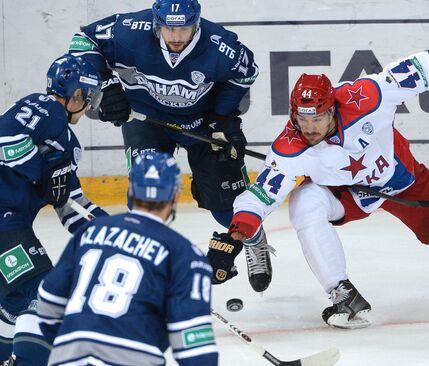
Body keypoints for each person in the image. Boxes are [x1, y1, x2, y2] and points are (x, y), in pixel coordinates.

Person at [206, 51, 429, 329]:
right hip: (349, 193)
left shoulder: (366, 97)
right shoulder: (290, 147)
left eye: (318, 119)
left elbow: (422, 69)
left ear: (333, 108)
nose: (309, 128)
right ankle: (344, 296)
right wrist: (234, 238)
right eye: (302, 119)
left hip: (403, 182)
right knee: (304, 201)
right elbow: (261, 196)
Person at [68, 0, 274, 292]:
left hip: (201, 123)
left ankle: (255, 241)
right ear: (156, 23)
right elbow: (83, 40)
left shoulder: (220, 46)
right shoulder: (128, 30)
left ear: (197, 24)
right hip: (145, 119)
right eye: (169, 28)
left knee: (225, 207)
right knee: (144, 196)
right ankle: (143, 265)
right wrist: (106, 83)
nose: (176, 36)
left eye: (184, 28)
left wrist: (223, 119)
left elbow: (245, 73)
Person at [37, 151, 218, 365]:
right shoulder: (186, 255)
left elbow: (48, 299)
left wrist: (67, 343)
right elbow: (194, 350)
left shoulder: (91, 231)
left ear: (131, 190)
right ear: (176, 194)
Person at [0, 54, 108, 364]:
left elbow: (71, 204)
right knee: (44, 296)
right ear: (77, 94)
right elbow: (3, 140)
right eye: (89, 97)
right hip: (4, 223)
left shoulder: (68, 143)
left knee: (13, 304)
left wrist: (107, 231)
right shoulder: (42, 107)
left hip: (11, 225)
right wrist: (40, 167)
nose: (89, 106)